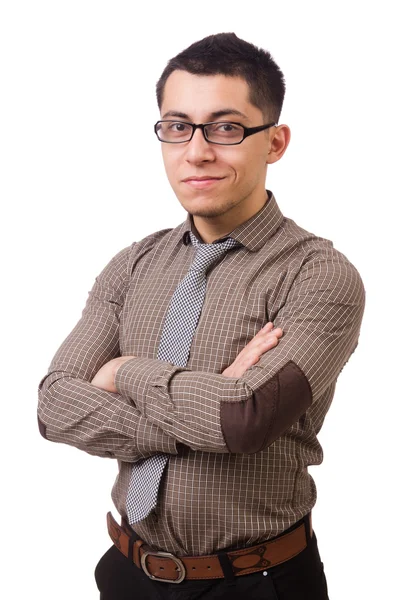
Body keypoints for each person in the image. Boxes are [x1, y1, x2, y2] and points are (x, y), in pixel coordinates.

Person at [37, 32, 365, 600]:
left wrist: (125, 373)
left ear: (276, 142)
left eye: (226, 127)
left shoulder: (318, 275)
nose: (197, 151)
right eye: (177, 126)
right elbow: (54, 406)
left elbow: (247, 420)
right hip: (125, 573)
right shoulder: (133, 264)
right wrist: (207, 406)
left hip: (256, 583)